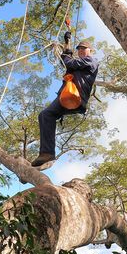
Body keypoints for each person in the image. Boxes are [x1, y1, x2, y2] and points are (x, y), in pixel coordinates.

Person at [31, 34, 99, 167]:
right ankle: (47, 153)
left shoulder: (91, 61)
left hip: (75, 97)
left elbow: (69, 62)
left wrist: (67, 55)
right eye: (79, 49)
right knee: (45, 115)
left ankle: (47, 152)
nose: (80, 51)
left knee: (46, 115)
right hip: (67, 97)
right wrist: (67, 42)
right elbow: (66, 62)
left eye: (83, 49)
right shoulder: (78, 66)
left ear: (90, 50)